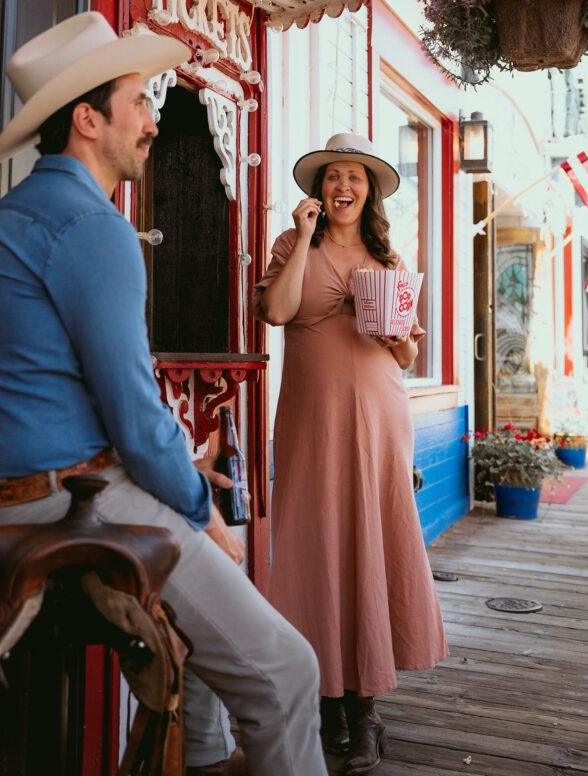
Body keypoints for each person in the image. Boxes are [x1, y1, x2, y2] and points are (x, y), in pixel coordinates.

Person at [0, 11, 327, 776]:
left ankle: (205, 756)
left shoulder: (2, 221)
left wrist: (184, 486)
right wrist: (198, 506)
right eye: (140, 102)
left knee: (214, 650)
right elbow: (131, 411)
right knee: (290, 673)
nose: (154, 120)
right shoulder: (92, 226)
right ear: (88, 120)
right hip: (67, 498)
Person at [253, 133, 448, 775]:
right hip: (312, 420)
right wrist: (302, 239)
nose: (344, 185)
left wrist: (399, 336)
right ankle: (325, 701)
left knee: (371, 544)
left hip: (380, 415)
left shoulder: (387, 256)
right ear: (319, 189)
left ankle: (363, 711)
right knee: (316, 548)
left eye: (355, 176)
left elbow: (407, 354)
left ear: (369, 191)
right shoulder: (293, 246)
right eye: (333, 175)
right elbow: (276, 314)